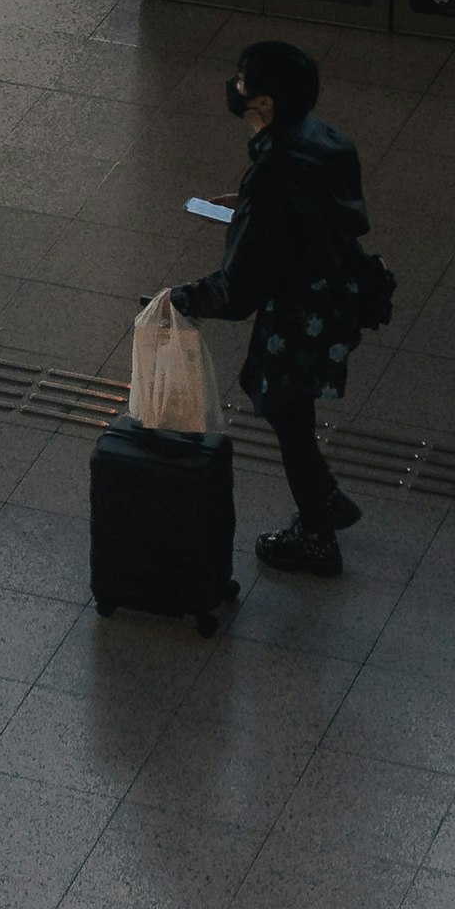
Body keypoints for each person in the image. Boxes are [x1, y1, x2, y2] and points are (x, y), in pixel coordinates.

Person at [169, 34, 371, 577]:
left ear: (264, 104)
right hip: (338, 290)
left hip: (300, 306)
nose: (235, 89)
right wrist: (253, 203)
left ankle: (317, 532)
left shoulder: (276, 167)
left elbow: (241, 287)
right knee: (281, 397)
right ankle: (324, 498)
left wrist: (182, 299)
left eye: (243, 83)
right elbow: (320, 205)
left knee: (283, 403)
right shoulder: (322, 137)